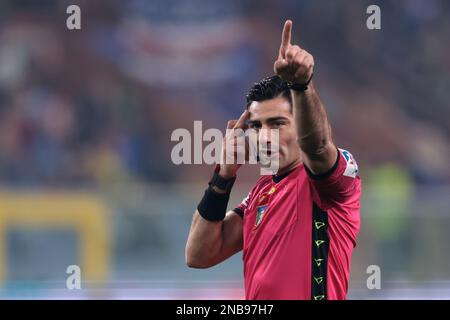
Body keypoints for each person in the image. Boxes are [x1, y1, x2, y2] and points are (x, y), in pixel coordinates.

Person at [185, 20, 361, 300]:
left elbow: (317, 146)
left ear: (299, 123)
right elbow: (199, 254)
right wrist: (224, 175)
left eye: (277, 123)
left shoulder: (328, 181)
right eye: (257, 126)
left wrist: (301, 86)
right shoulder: (260, 193)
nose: (264, 137)